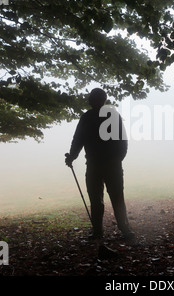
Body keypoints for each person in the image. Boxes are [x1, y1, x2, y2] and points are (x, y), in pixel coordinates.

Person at [65, 88, 134, 240]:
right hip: (107, 165)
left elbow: (78, 140)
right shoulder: (112, 116)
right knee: (114, 198)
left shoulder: (87, 117)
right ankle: (123, 230)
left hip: (96, 164)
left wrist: (72, 156)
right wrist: (117, 159)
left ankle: (99, 231)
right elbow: (123, 142)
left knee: (97, 200)